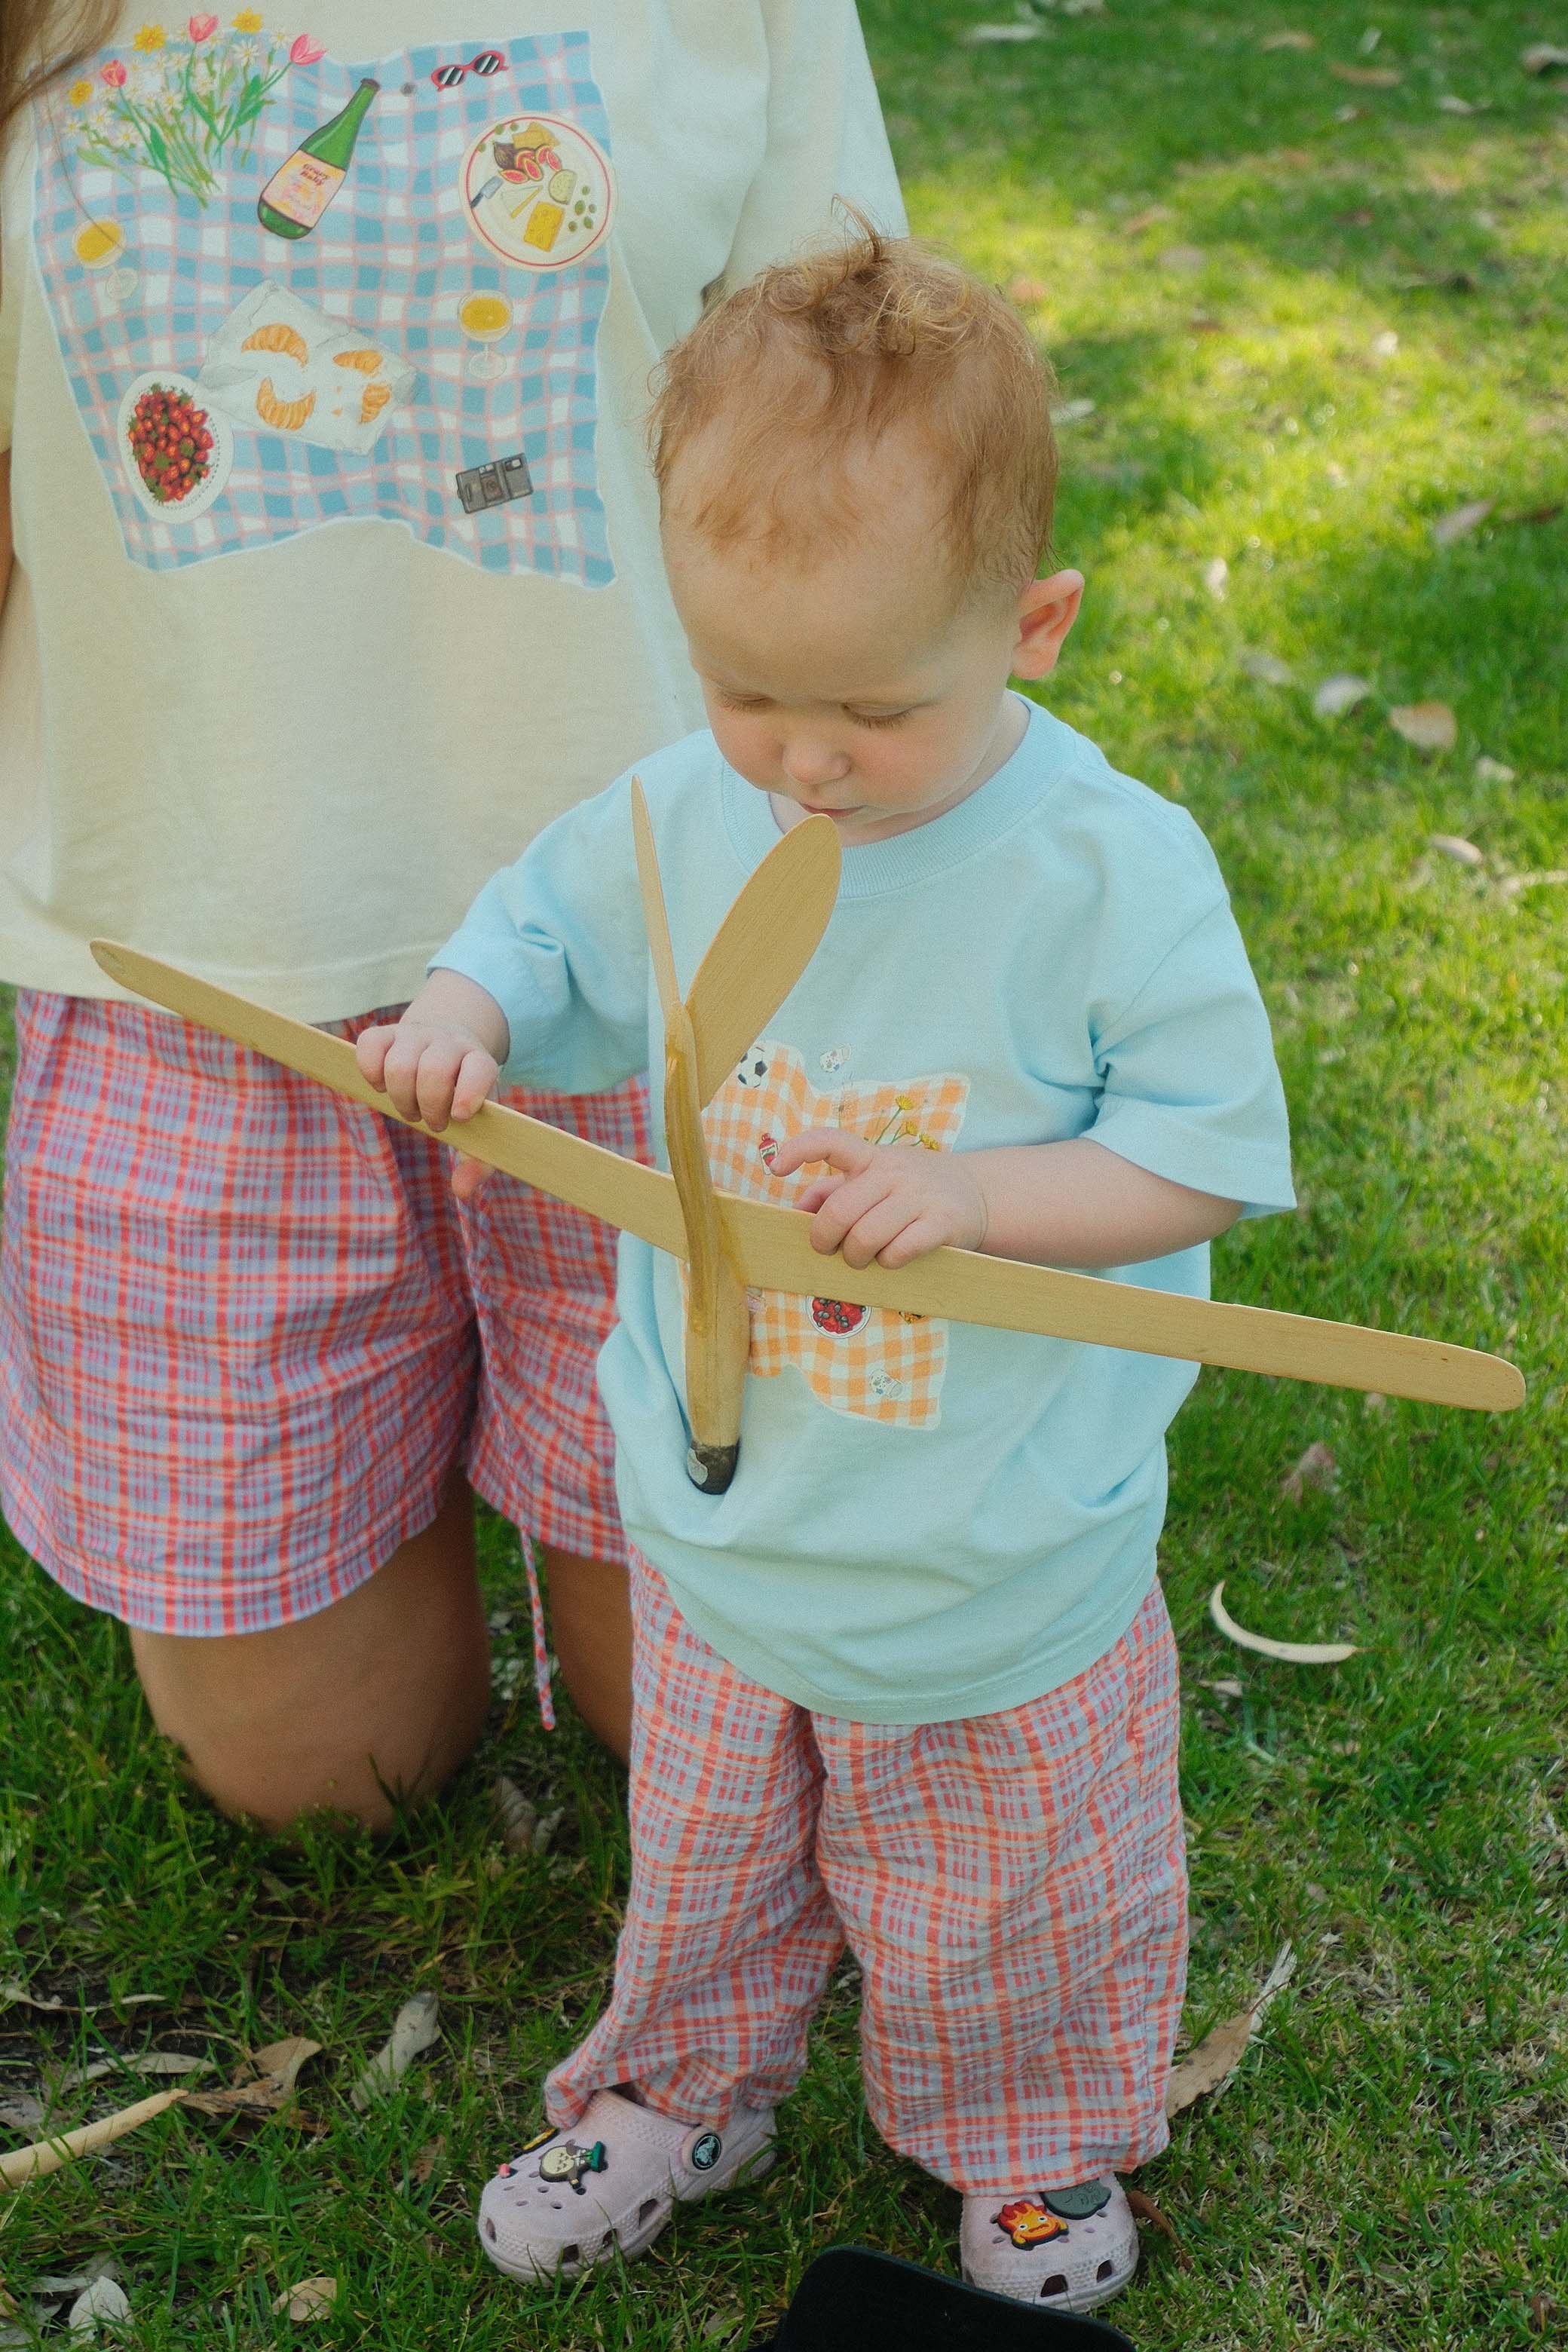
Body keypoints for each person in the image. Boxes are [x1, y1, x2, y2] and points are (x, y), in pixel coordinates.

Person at [357, 223, 1297, 2313]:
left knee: (1006, 1889)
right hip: (732, 1523)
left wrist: (980, 1203)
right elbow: (539, 930)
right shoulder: (690, 810)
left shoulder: (1107, 869)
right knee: (704, 1859)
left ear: (1034, 622)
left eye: (875, 703)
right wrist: (462, 1013)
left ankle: (1033, 2139)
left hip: (993, 1545)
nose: (802, 757)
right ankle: (683, 2082)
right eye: (748, 686)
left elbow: (1201, 1163)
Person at [0, 2, 903, 1827]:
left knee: (708, 1738)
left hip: (661, 967)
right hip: (197, 969)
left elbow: (873, 457)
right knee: (326, 1784)